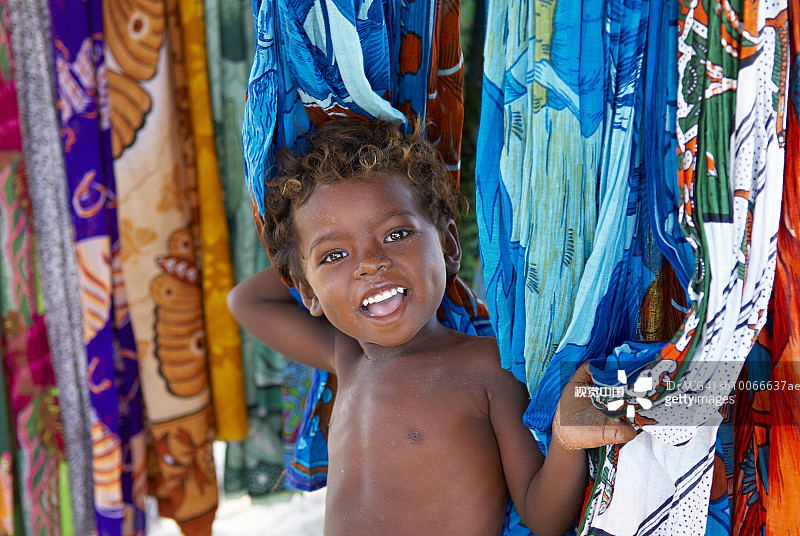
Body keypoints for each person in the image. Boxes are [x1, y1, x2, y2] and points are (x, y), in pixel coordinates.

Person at [227, 117, 635, 536]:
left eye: (396, 233)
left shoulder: (489, 367)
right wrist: (296, 253)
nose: (369, 262)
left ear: (448, 245)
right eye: (335, 256)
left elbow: (543, 516)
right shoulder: (346, 355)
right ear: (306, 292)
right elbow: (246, 302)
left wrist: (566, 441)